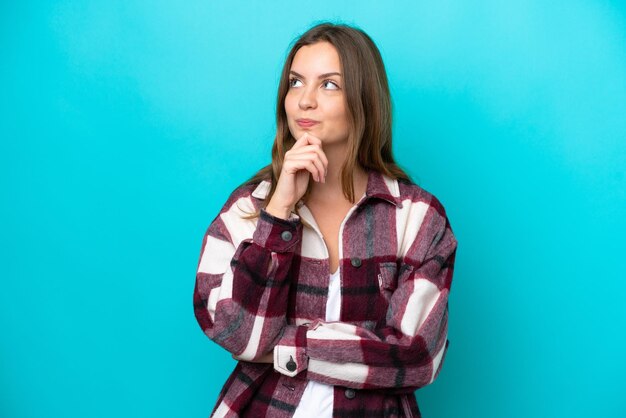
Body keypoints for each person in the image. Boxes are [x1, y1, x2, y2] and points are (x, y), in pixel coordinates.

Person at [193, 22, 458, 418]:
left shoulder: (418, 219)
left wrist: (289, 347)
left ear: (364, 100)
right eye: (296, 83)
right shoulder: (249, 208)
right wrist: (278, 214)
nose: (305, 101)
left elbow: (418, 357)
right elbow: (239, 337)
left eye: (329, 85)